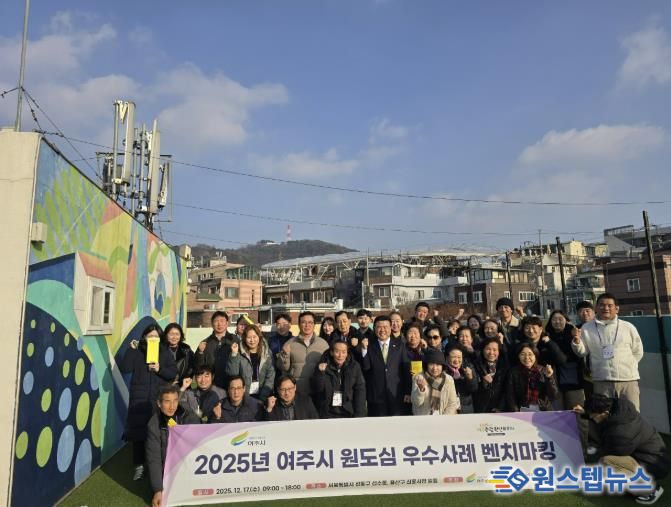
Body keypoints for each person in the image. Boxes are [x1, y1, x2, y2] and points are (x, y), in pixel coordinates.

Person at [576, 394, 670, 505]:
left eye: (594, 417)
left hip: (653, 464)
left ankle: (650, 489)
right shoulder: (618, 410)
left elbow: (610, 452)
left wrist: (590, 458)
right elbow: (599, 419)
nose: (593, 419)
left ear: (605, 413)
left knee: (607, 462)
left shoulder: (621, 431)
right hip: (651, 457)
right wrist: (584, 412)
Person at [120, 323, 177, 481]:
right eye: (150, 336)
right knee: (138, 434)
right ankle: (139, 466)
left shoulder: (165, 352)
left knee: (159, 432)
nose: (153, 339)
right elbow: (125, 368)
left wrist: (160, 369)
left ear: (160, 338)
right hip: (139, 398)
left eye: (156, 336)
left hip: (158, 398)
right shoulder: (137, 351)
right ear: (144, 337)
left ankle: (161, 465)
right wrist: (131, 350)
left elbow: (172, 373)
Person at [571, 293, 644, 411]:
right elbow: (582, 352)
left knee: (631, 415)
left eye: (610, 305)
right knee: (603, 415)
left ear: (617, 308)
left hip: (627, 380)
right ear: (596, 308)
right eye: (602, 305)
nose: (606, 308)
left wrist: (629, 366)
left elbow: (638, 351)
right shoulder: (587, 328)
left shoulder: (628, 327)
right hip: (601, 381)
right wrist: (577, 341)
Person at [146, 385, 200, 507]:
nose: (172, 406)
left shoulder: (188, 414)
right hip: (168, 470)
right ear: (159, 404)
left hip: (188, 465)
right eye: (167, 402)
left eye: (175, 401)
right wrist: (158, 490)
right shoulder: (153, 425)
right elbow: (154, 459)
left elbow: (198, 441)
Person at [360, 315, 411, 416]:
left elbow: (406, 370)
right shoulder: (369, 346)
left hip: (397, 394)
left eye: (385, 327)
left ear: (391, 328)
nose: (382, 330)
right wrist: (364, 350)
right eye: (379, 327)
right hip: (376, 396)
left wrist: (408, 392)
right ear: (374, 328)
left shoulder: (400, 346)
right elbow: (366, 368)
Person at [276, 311, 329, 395]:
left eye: (310, 322)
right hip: (296, 390)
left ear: (314, 324)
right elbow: (283, 368)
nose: (307, 325)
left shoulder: (323, 344)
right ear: (299, 325)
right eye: (303, 322)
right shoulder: (289, 343)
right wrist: (285, 355)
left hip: (317, 391)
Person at [311, 341, 366, 418]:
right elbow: (317, 389)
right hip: (328, 412)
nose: (340, 355)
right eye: (337, 352)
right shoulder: (322, 366)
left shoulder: (354, 366)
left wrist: (359, 414)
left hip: (348, 411)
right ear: (331, 352)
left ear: (347, 353)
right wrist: (320, 374)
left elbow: (360, 390)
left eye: (344, 352)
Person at [545, 310, 585, 410]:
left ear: (566, 320)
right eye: (554, 319)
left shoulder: (573, 334)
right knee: (558, 411)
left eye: (560, 319)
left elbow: (564, 358)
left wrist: (550, 343)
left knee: (575, 410)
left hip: (573, 379)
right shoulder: (547, 335)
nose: (557, 321)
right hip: (555, 378)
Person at [226, 325, 275, 403]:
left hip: (263, 394)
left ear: (259, 337)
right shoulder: (239, 352)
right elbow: (232, 374)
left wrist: (264, 395)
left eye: (254, 337)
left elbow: (270, 376)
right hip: (244, 396)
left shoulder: (267, 353)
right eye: (249, 337)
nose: (252, 340)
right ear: (244, 338)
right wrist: (234, 355)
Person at [506, 343, 558, 412]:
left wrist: (549, 377)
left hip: (543, 409)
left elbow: (553, 395)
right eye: (523, 354)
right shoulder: (513, 372)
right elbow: (510, 396)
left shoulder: (543, 370)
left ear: (535, 355)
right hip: (522, 410)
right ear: (518, 356)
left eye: (530, 354)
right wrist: (516, 412)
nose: (526, 358)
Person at [194, 311, 239, 389]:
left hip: (231, 384)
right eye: (216, 321)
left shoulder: (235, 340)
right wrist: (200, 353)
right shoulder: (205, 343)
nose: (219, 324)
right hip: (211, 385)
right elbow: (198, 366)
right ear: (212, 323)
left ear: (227, 323)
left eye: (222, 321)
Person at [410, 348, 459, 415]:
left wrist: (444, 418)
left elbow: (452, 404)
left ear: (442, 366)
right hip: (423, 418)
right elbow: (416, 403)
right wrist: (421, 390)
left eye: (438, 365)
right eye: (431, 364)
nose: (435, 368)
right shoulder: (419, 377)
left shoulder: (449, 380)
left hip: (442, 418)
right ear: (427, 365)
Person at [473, 338, 508, 413]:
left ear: (499, 351)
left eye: (495, 350)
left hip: (500, 409)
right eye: (488, 349)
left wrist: (500, 407)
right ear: (482, 350)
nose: (491, 352)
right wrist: (483, 383)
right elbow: (473, 389)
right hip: (480, 408)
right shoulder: (476, 365)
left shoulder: (504, 366)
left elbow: (507, 390)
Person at [445, 343, 479, 413]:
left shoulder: (468, 367)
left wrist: (470, 378)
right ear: (447, 357)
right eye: (453, 357)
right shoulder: (443, 370)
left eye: (459, 357)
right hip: (448, 409)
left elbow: (474, 389)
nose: (456, 360)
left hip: (466, 408)